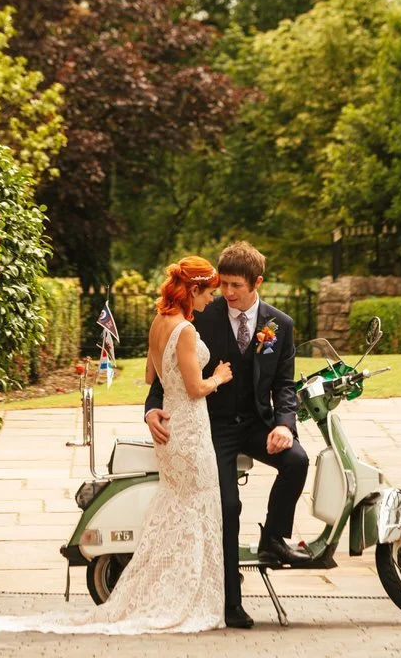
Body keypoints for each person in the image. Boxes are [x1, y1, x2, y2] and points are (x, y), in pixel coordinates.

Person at [0, 255, 232, 635]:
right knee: (198, 508)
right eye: (208, 293)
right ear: (193, 289)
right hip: (189, 429)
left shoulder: (160, 323)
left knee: (176, 510)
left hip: (171, 426)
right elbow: (194, 388)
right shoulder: (185, 331)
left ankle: (162, 590)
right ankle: (185, 596)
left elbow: (148, 373)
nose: (210, 300)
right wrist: (218, 376)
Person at [145, 240, 311, 630]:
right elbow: (166, 367)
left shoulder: (279, 325)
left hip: (256, 423)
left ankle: (274, 536)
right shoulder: (199, 316)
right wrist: (151, 408)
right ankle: (230, 603)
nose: (227, 292)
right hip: (212, 427)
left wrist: (284, 425)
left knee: (297, 461)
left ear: (258, 283)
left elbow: (285, 384)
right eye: (223, 284)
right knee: (228, 507)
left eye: (236, 285)